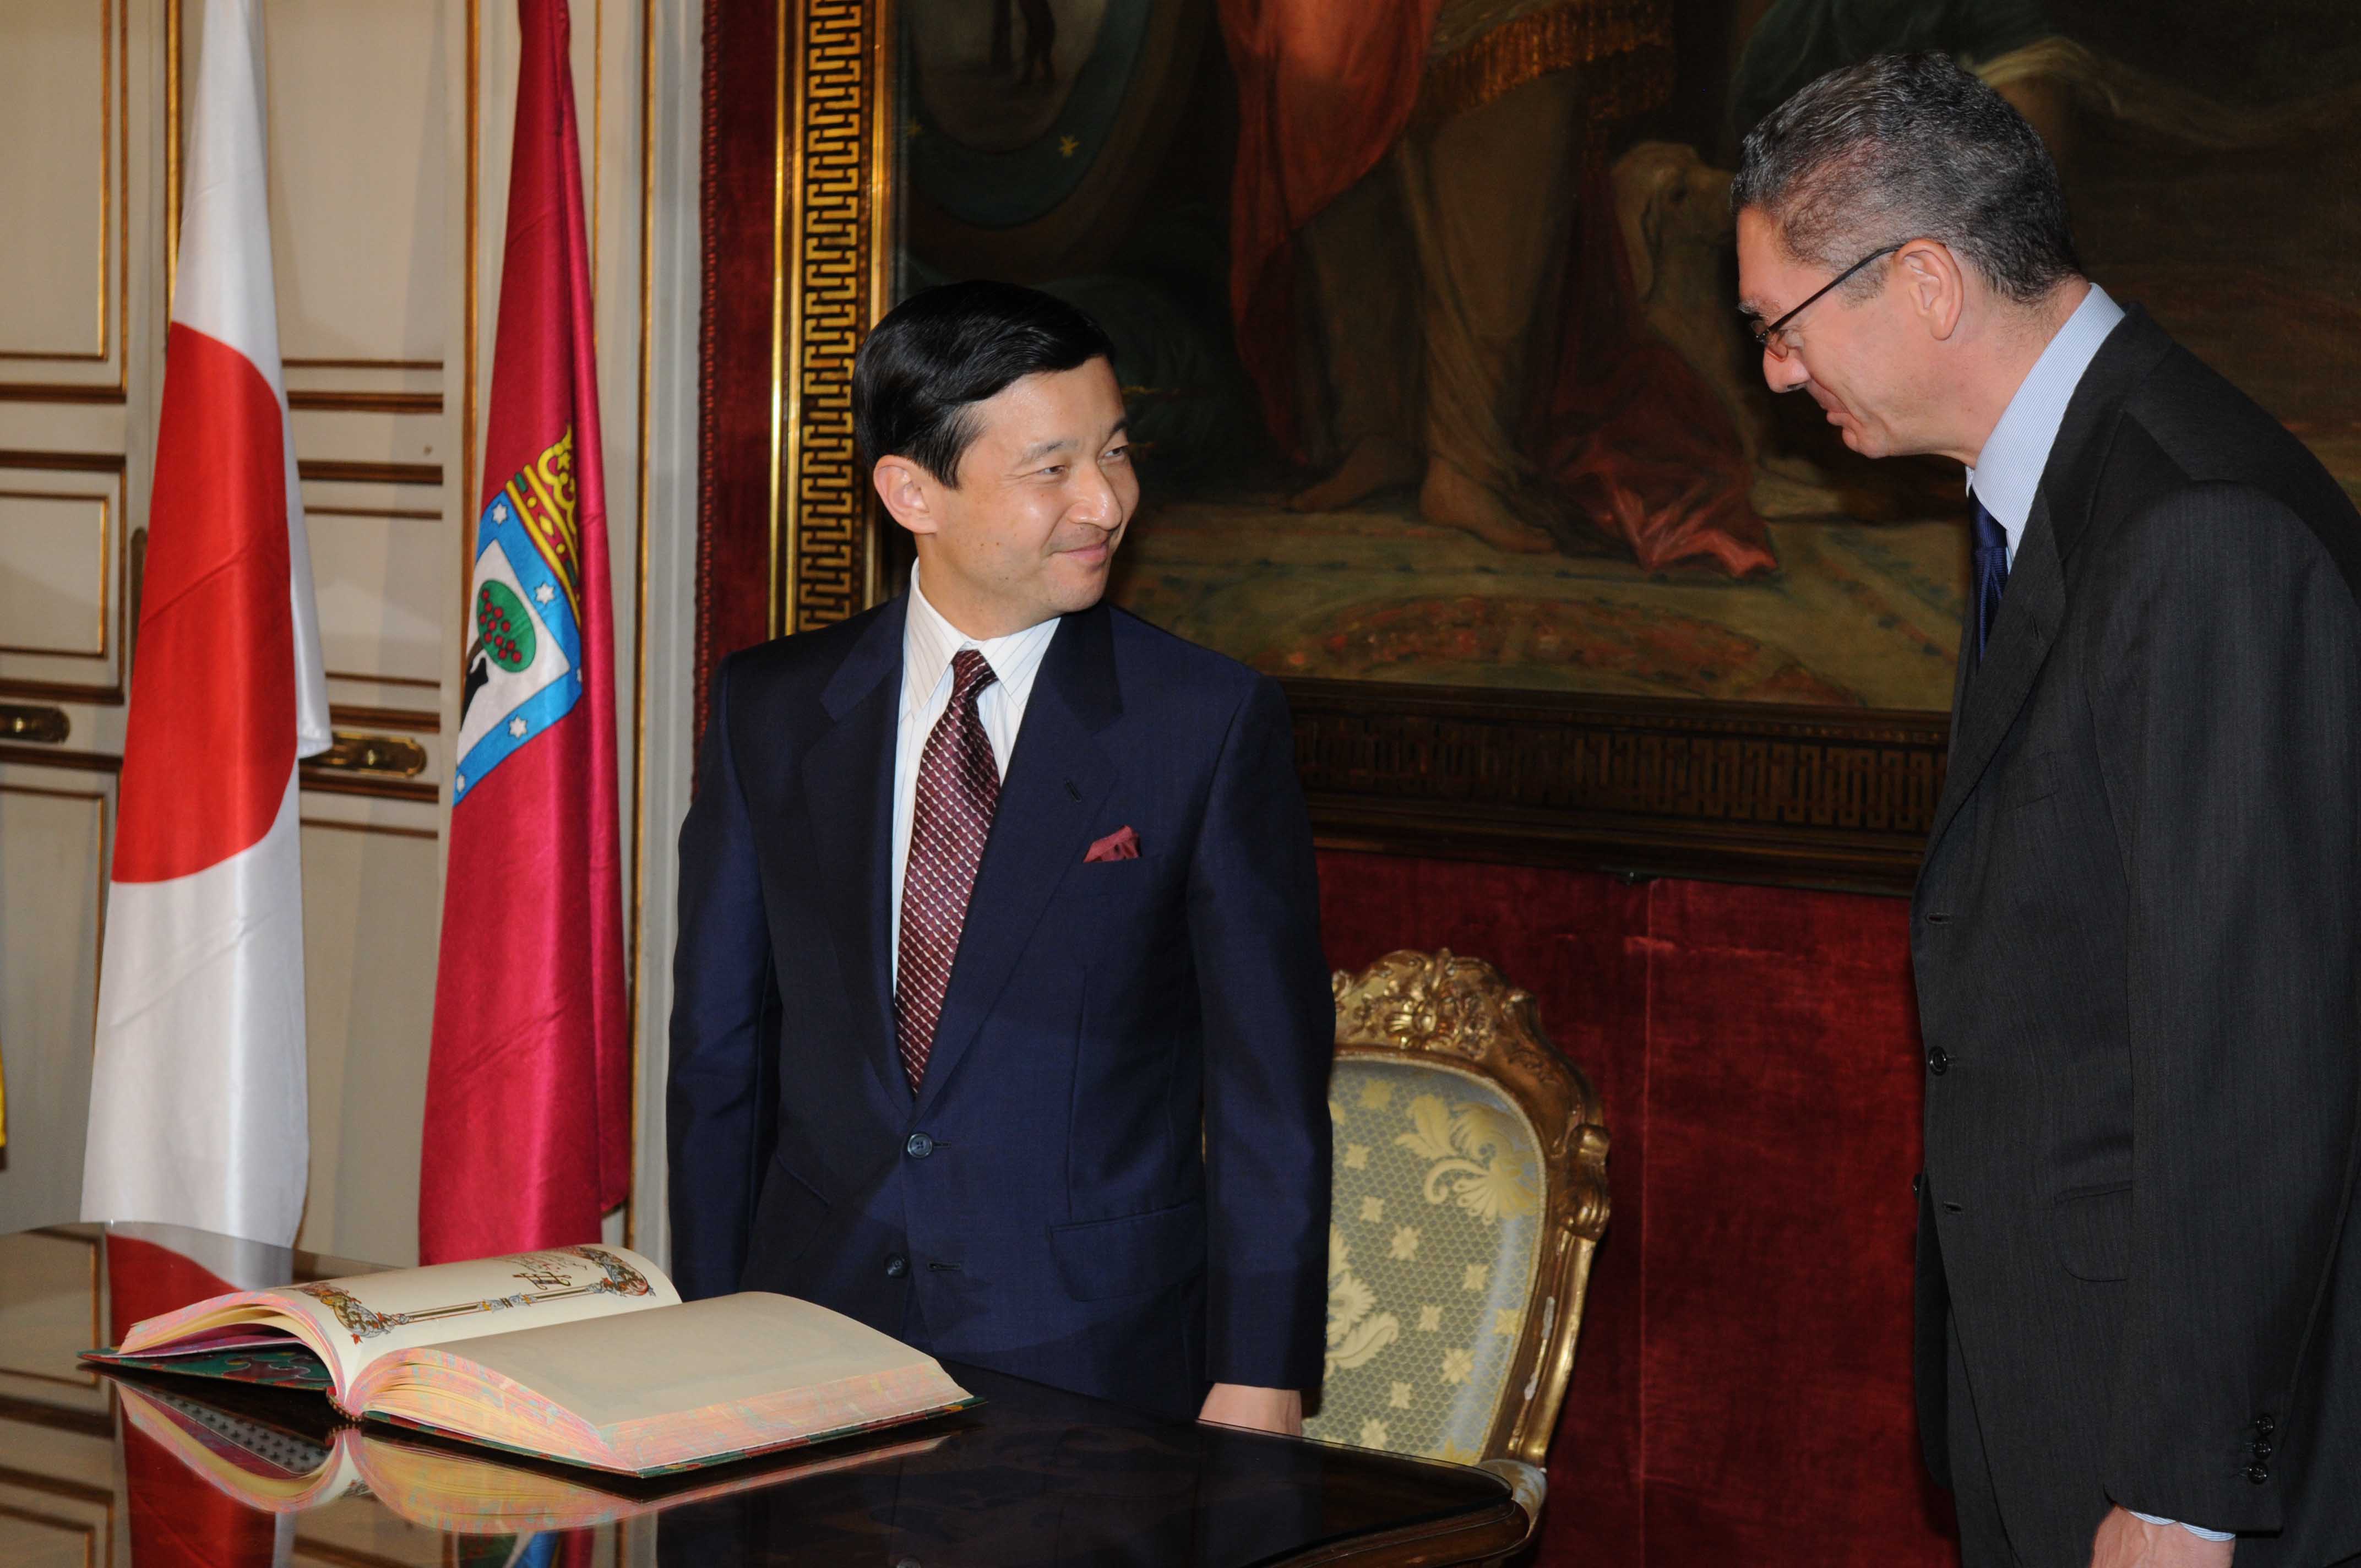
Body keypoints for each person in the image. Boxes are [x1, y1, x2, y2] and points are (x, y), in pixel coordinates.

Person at [1734, 54, 2361, 1568]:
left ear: (1925, 283)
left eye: (1780, 326)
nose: (1774, 376)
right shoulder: (2061, 489)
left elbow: (2254, 1057)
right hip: (2053, 1391)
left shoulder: (2198, 528)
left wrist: (2185, 1492)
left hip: (2170, 1461)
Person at [666, 280, 1333, 1435]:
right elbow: (719, 1054)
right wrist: (704, 1326)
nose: (1106, 501)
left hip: (1092, 1353)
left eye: (1114, 452)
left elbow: (1267, 1084)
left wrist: (1261, 1370)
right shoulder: (771, 709)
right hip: (804, 1333)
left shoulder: (1203, 722)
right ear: (911, 492)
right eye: (1052, 467)